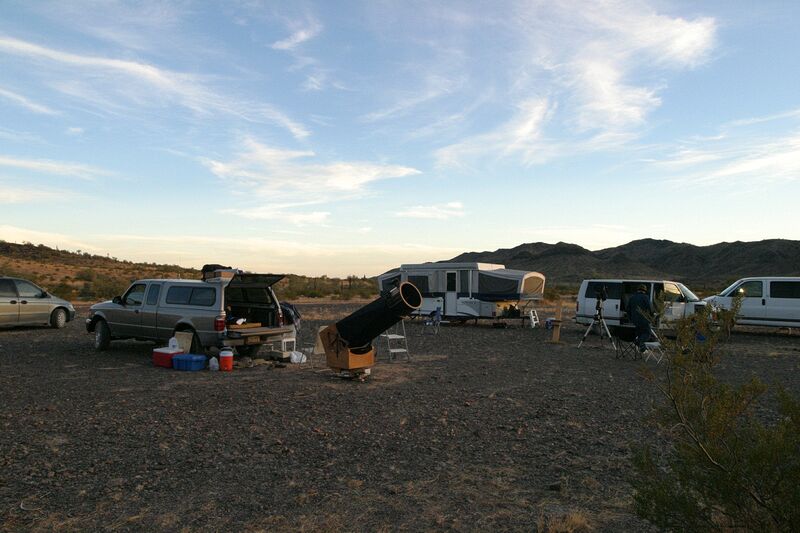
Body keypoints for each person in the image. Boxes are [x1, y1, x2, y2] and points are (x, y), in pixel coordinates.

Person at [627, 284, 655, 352]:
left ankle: (642, 349)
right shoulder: (645, 297)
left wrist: (631, 318)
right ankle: (637, 342)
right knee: (647, 334)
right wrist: (652, 316)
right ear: (644, 290)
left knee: (640, 334)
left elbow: (628, 309)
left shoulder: (632, 297)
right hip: (643, 319)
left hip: (635, 320)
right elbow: (650, 308)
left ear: (638, 290)